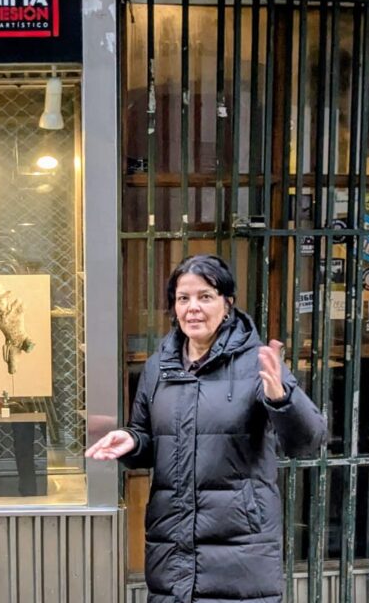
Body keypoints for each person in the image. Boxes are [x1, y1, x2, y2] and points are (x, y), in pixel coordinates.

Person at [86, 254, 327, 603]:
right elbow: (149, 440)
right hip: (172, 551)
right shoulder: (158, 367)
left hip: (241, 553)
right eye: (183, 298)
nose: (193, 308)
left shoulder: (257, 364)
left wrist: (281, 398)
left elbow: (308, 440)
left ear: (227, 303)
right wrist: (132, 441)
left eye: (205, 296)